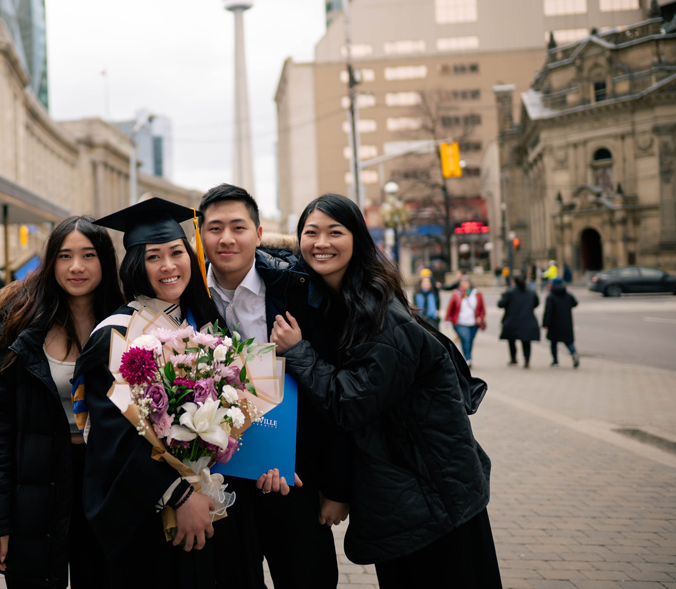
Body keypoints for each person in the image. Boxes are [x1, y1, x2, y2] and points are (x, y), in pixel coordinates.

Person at [268, 194, 501, 588]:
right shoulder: (350, 299)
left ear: (357, 238)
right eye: (311, 233)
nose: (321, 242)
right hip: (413, 494)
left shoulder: (379, 315)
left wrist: (299, 353)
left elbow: (349, 403)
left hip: (433, 500)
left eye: (334, 232)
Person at [74, 197, 255, 589]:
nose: (169, 265)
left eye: (177, 252)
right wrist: (177, 496)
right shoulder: (115, 334)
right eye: (154, 256)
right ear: (136, 264)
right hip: (150, 518)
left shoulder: (207, 324)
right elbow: (113, 437)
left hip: (215, 505)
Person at [198, 184, 350, 589]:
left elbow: (330, 389)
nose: (226, 238)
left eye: (238, 226)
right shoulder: (188, 300)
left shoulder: (298, 291)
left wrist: (336, 486)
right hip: (220, 484)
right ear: (200, 235)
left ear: (259, 233)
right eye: (214, 228)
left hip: (295, 476)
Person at [0, 215, 124, 588]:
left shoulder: (128, 323)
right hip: (35, 480)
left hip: (103, 481)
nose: (76, 267)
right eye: (65, 256)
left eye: (88, 255)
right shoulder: (19, 328)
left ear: (105, 260)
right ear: (50, 263)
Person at [498, 275, 540, 368]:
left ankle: (513, 358)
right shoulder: (531, 292)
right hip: (527, 319)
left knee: (511, 340)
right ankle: (527, 360)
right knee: (526, 341)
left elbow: (501, 304)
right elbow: (536, 303)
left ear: (514, 281)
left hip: (512, 319)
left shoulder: (509, 292)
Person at [444, 276, 487, 367]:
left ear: (470, 284)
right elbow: (450, 307)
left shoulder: (477, 294)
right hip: (460, 322)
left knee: (470, 340)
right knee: (466, 339)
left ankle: (467, 358)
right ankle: (467, 359)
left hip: (473, 323)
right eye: (462, 283)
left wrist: (480, 317)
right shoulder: (457, 293)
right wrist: (447, 319)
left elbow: (482, 309)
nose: (463, 285)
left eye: (465, 283)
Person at [543, 277, 580, 368]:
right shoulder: (568, 294)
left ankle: (555, 361)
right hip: (566, 322)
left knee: (553, 343)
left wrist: (545, 323)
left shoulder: (551, 296)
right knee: (568, 342)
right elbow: (575, 303)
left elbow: (548, 311)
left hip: (554, 323)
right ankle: (574, 353)